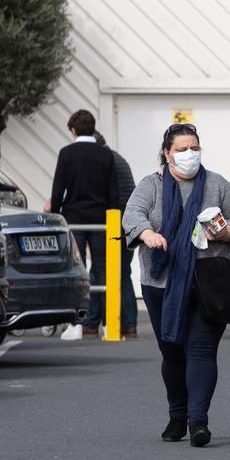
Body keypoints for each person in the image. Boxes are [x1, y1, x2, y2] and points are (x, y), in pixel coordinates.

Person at [123, 123, 230, 448]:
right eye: (181, 149)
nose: (189, 154)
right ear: (167, 153)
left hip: (209, 282)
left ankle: (198, 421)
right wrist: (147, 234)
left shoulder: (217, 184)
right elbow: (133, 214)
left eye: (194, 147)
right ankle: (178, 413)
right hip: (161, 283)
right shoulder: (151, 186)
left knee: (202, 350)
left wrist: (226, 232)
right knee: (173, 353)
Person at [49, 109, 118, 338]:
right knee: (102, 268)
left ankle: (76, 325)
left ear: (73, 130)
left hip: (75, 218)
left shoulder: (66, 153)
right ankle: (109, 325)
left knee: (75, 270)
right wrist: (115, 219)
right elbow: (113, 192)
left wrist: (56, 216)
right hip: (101, 219)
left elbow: (58, 189)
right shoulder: (106, 155)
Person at [96, 132, 140, 337]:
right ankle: (130, 324)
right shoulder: (117, 158)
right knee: (123, 272)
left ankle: (91, 321)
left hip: (114, 223)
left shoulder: (104, 161)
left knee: (100, 271)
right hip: (128, 223)